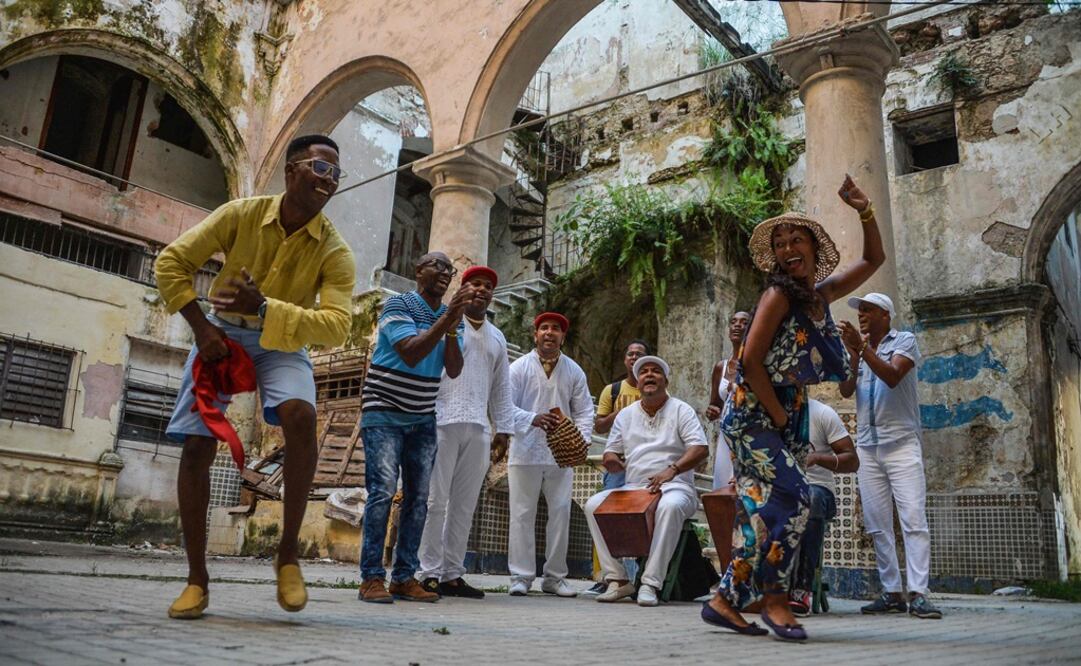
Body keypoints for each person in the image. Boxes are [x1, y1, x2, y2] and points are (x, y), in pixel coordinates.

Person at [156, 134, 356, 619]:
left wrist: (264, 307)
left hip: (281, 342)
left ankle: (287, 554)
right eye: (320, 168)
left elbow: (337, 324)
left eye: (336, 174)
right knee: (198, 446)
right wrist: (202, 328)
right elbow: (171, 263)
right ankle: (196, 580)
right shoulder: (239, 214)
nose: (329, 180)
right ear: (292, 171)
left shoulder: (335, 250)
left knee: (301, 415)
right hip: (220, 333)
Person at [702, 174, 884, 642]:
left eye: (795, 239)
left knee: (760, 514)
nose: (787, 249)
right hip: (752, 416)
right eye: (780, 244)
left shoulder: (819, 295)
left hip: (787, 411)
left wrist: (864, 211)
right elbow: (749, 362)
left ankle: (724, 601)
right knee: (798, 497)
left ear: (811, 246)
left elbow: (873, 259)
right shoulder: (777, 295)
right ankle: (776, 601)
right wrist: (781, 420)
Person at [357, 252, 475, 604]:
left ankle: (404, 577)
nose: (445, 272)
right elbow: (410, 352)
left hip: (422, 414)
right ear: (418, 270)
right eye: (437, 265)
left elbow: (453, 369)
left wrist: (453, 325)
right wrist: (448, 318)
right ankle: (371, 578)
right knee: (381, 493)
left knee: (419, 498)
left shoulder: (454, 317)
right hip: (384, 410)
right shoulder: (399, 306)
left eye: (449, 270)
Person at [838, 292, 943, 620]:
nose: (862, 316)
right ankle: (892, 591)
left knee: (912, 519)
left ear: (885, 314)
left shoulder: (905, 341)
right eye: (860, 312)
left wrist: (863, 348)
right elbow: (845, 389)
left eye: (868, 310)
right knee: (878, 523)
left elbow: (893, 376)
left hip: (901, 444)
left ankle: (919, 593)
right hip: (868, 447)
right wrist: (855, 354)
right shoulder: (861, 348)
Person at [416, 266, 515, 599]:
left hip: (478, 427)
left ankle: (452, 574)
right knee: (434, 501)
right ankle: (427, 572)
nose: (482, 290)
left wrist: (504, 428)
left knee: (465, 504)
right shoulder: (444, 322)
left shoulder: (498, 337)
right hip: (440, 420)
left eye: (488, 286)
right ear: (463, 288)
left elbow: (502, 387)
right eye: (475, 283)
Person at [584, 356, 709, 607]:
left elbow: (700, 448)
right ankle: (618, 580)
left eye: (655, 372)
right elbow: (611, 451)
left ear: (665, 380)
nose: (649, 375)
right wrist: (611, 461)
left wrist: (671, 470)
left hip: (676, 487)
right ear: (638, 382)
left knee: (669, 507)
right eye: (644, 373)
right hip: (634, 488)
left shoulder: (681, 409)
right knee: (593, 505)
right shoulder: (625, 415)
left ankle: (650, 583)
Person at [506, 312, 594, 598]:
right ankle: (520, 576)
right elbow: (504, 406)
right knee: (521, 513)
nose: (549, 333)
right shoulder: (518, 367)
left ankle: (555, 577)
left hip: (561, 453)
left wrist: (582, 440)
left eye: (556, 329)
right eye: (544, 328)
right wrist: (532, 418)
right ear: (535, 335)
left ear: (562, 337)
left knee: (561, 512)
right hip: (524, 450)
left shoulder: (574, 371)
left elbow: (584, 411)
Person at [586, 339, 649, 593]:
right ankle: (605, 577)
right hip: (616, 463)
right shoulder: (612, 390)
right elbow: (599, 426)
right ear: (625, 360)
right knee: (604, 514)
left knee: (638, 520)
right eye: (630, 354)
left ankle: (635, 577)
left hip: (643, 463)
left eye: (639, 355)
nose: (634, 358)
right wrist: (620, 413)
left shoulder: (652, 390)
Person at [788, 399, 859, 617]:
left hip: (817, 488)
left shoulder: (822, 413)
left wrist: (818, 458)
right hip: (781, 488)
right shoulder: (768, 412)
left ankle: (801, 588)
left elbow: (852, 461)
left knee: (810, 499)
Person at [705, 311, 751, 489]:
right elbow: (715, 405)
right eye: (733, 322)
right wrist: (712, 411)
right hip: (726, 439)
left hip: (750, 435)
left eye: (744, 323)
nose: (738, 325)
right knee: (723, 491)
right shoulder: (720, 367)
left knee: (748, 492)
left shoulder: (759, 364)